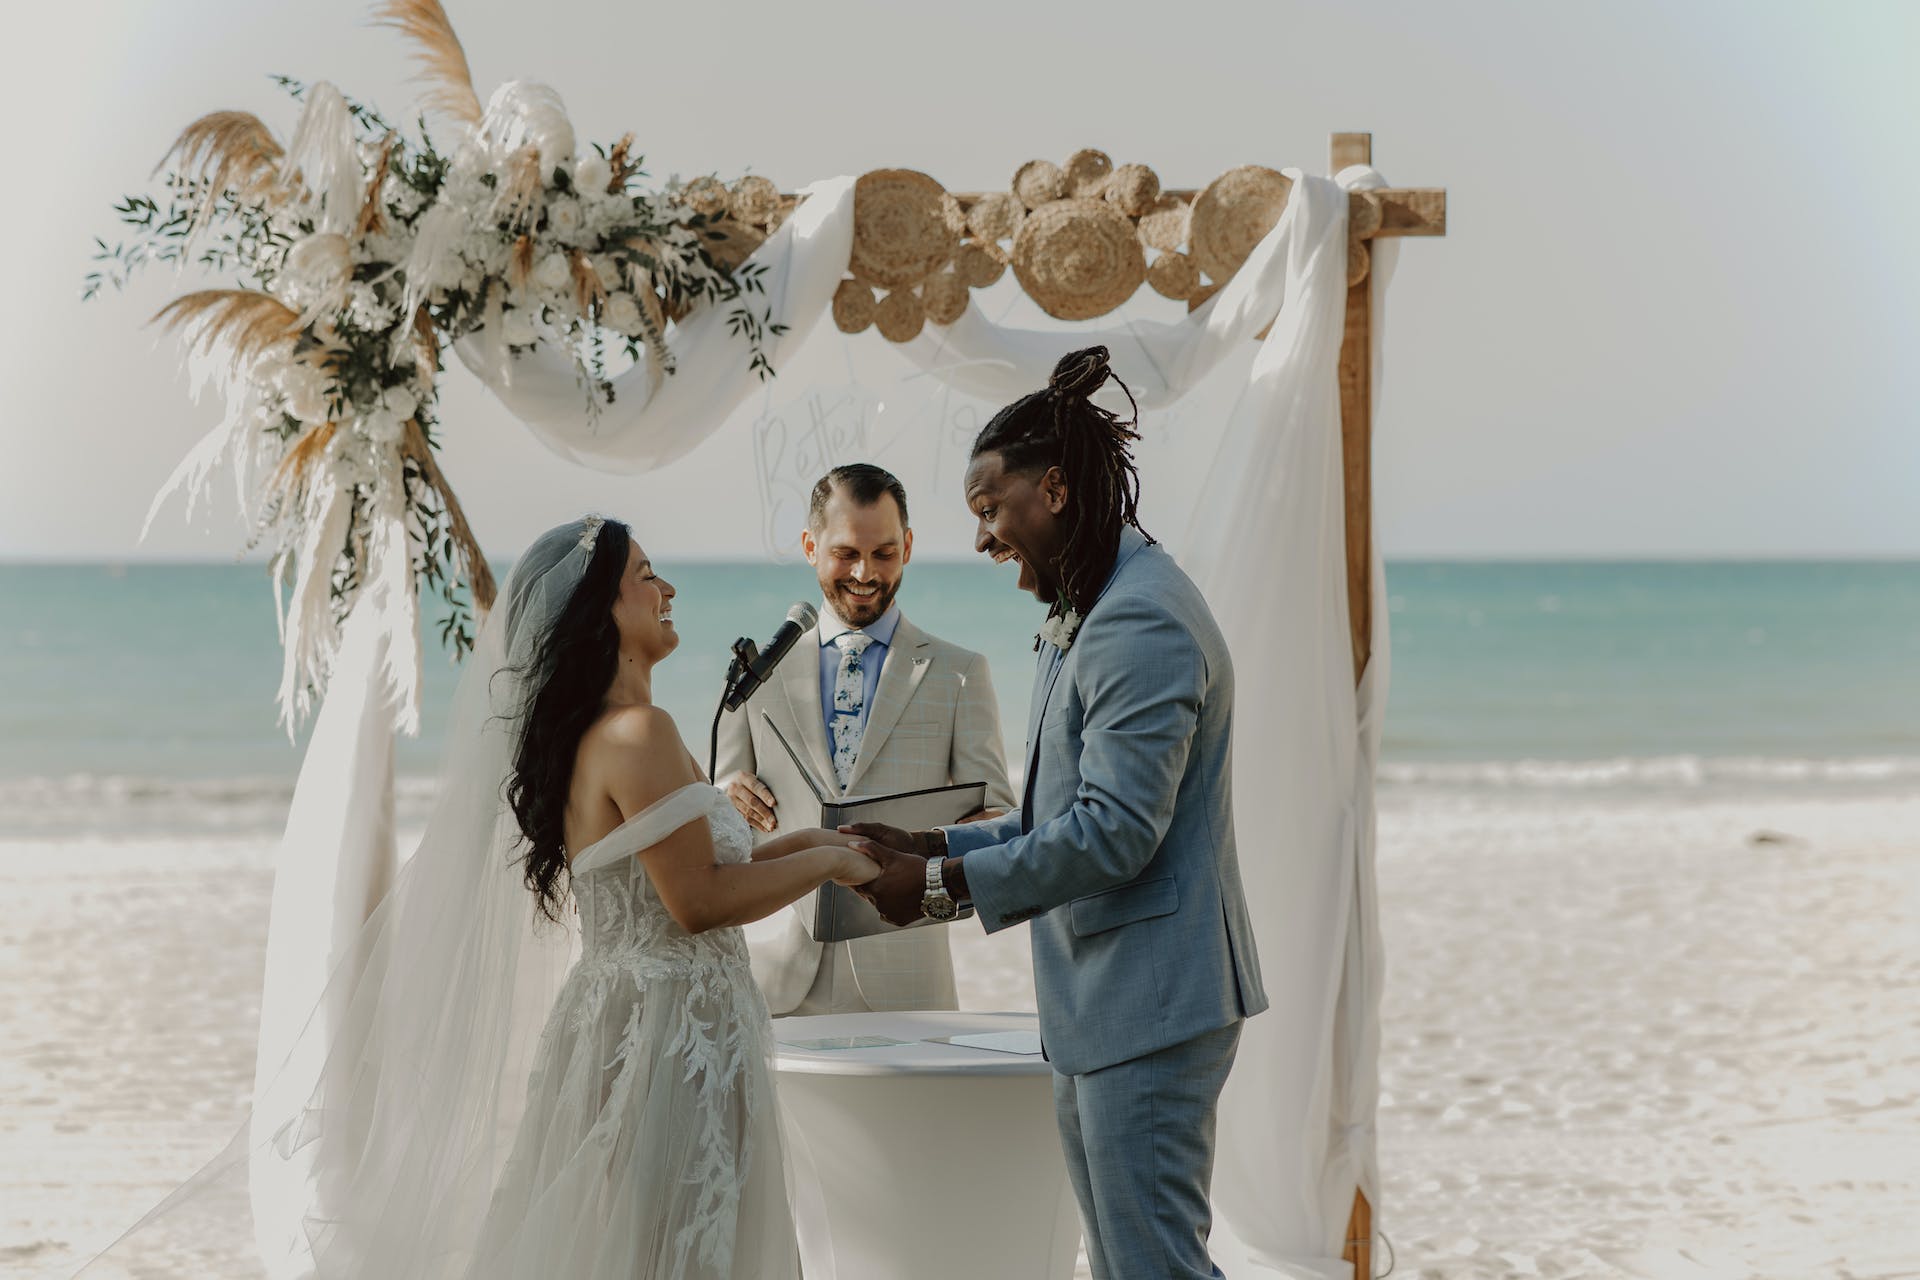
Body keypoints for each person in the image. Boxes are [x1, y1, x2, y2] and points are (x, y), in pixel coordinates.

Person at [83, 516, 875, 1279]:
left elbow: (700, 872)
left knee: (636, 1239)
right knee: (677, 1243)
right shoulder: (639, 734)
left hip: (643, 1013)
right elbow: (698, 901)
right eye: (644, 576)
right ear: (599, 611)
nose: (667, 588)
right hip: (668, 1031)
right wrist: (834, 866)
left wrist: (825, 845)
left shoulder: (606, 734)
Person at [845, 349, 1268, 1280]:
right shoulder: (1091, 604)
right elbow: (1057, 813)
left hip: (1150, 1004)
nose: (986, 538)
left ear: (1059, 489)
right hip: (1106, 1004)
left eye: (993, 508)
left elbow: (1116, 832)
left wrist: (941, 889)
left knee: (1152, 1265)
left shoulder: (1139, 620)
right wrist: (926, 843)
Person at [717, 463, 1016, 1015]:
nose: (865, 572)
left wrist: (925, 851)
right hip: (774, 981)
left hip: (908, 983)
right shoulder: (759, 673)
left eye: (883, 553)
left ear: (907, 545)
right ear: (810, 546)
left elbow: (1000, 820)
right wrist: (725, 794)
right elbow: (720, 836)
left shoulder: (960, 672)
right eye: (846, 553)